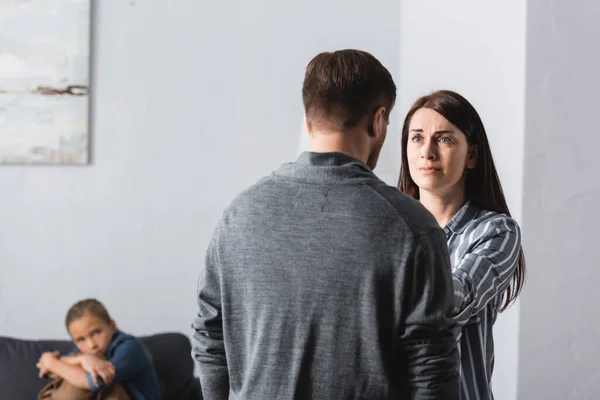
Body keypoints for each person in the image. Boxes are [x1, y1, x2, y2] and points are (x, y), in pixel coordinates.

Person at [192, 49, 459, 400]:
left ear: (308, 119)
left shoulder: (240, 214)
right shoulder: (412, 227)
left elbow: (210, 335)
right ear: (378, 120)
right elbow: (431, 369)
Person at [398, 90, 526, 400]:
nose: (427, 152)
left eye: (444, 140)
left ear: (472, 155)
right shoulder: (388, 226)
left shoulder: (496, 231)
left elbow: (451, 302)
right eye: (416, 138)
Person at [36, 298, 161, 399]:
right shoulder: (84, 353)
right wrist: (81, 359)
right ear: (74, 341)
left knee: (96, 366)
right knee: (78, 366)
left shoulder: (129, 347)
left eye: (96, 332)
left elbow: (93, 383)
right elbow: (48, 371)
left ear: (112, 326)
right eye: (81, 340)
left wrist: (52, 362)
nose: (91, 345)